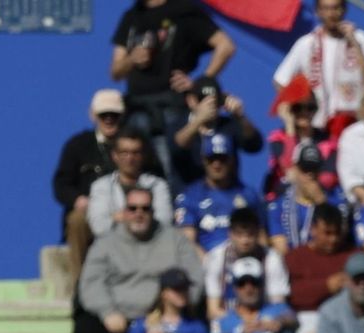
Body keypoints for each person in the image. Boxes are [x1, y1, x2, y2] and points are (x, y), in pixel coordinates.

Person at [75, 186, 204, 333]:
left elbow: (195, 279)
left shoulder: (174, 240)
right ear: (123, 212)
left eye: (145, 208)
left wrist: (170, 311)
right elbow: (90, 283)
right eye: (133, 208)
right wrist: (108, 312)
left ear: (153, 211)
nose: (139, 214)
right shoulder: (106, 243)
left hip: (160, 320)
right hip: (117, 322)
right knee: (85, 331)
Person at [110, 0, 234, 189]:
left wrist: (199, 84)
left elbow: (225, 46)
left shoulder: (183, 11)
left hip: (171, 109)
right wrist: (132, 58)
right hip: (136, 110)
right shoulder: (132, 16)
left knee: (172, 174)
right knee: (136, 178)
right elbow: (115, 71)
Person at [53, 89, 133, 283]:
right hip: (91, 213)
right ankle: (81, 290)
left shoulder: (134, 145)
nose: (108, 119)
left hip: (127, 212)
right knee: (77, 220)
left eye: (113, 115)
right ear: (93, 115)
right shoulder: (78, 145)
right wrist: (77, 200)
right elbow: (61, 184)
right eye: (103, 115)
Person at [272, 0, 364, 135]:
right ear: (317, 12)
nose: (331, 14)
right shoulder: (307, 43)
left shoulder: (360, 38)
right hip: (317, 126)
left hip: (353, 124)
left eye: (335, 8)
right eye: (326, 9)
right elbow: (280, 80)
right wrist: (301, 110)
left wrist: (354, 43)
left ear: (344, 10)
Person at [170, 76, 262, 189]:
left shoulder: (228, 125)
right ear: (191, 101)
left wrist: (241, 117)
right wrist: (198, 121)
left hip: (226, 194)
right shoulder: (178, 124)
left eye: (214, 101)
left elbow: (254, 145)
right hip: (188, 195)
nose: (209, 105)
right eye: (202, 100)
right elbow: (175, 147)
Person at [174, 133, 261, 254]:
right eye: (211, 158)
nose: (216, 164)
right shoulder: (189, 196)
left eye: (222, 158)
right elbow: (188, 242)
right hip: (206, 263)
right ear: (203, 160)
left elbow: (261, 237)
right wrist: (211, 265)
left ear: (231, 160)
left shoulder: (248, 194)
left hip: (246, 263)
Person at [205, 207, 289, 320]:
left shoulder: (272, 258)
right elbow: (213, 311)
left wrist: (256, 322)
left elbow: (278, 306)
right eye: (239, 235)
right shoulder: (216, 258)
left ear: (258, 234)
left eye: (250, 235)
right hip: (227, 322)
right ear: (230, 234)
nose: (245, 241)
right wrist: (241, 323)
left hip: (264, 321)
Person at [87, 132, 173, 239]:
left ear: (143, 155)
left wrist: (118, 217)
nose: (130, 158)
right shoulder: (100, 186)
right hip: (112, 247)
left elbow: (165, 223)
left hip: (150, 247)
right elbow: (99, 227)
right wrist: (142, 217)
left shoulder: (157, 185)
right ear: (115, 155)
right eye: (124, 153)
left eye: (135, 153)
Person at [267, 143, 348, 255]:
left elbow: (340, 235)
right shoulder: (279, 205)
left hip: (326, 259)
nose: (310, 174)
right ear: (295, 168)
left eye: (314, 169)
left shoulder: (336, 198)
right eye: (305, 169)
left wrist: (321, 201)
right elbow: (280, 245)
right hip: (292, 263)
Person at [282, 202, 353, 313]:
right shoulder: (295, 257)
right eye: (327, 233)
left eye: (337, 233)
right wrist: (326, 286)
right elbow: (292, 294)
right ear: (313, 229)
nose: (333, 239)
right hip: (308, 317)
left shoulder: (353, 255)